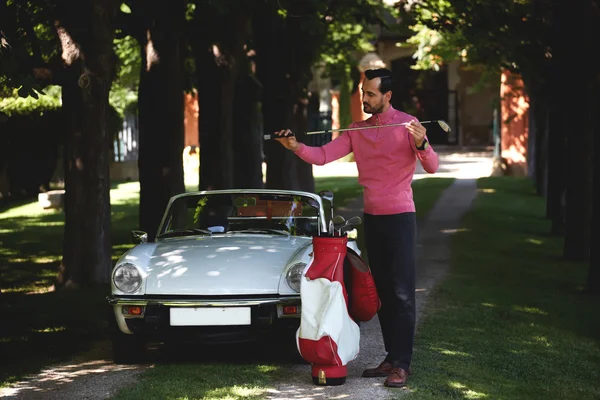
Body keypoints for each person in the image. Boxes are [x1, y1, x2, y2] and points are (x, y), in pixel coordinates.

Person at [272, 68, 439, 388]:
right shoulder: (356, 129)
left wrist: (423, 143)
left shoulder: (408, 125)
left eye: (371, 94)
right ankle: (391, 357)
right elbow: (322, 156)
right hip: (372, 218)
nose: (365, 98)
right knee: (383, 294)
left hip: (401, 217)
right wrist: (295, 146)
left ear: (387, 96)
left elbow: (432, 166)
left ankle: (402, 363)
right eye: (363, 92)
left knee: (403, 293)